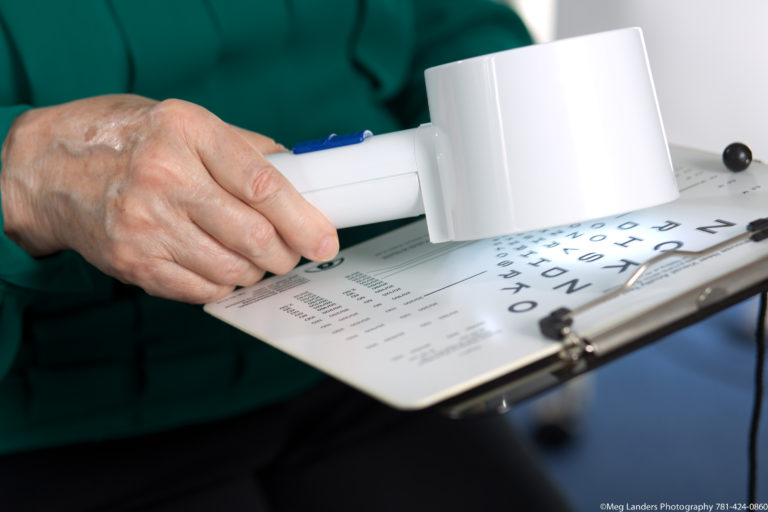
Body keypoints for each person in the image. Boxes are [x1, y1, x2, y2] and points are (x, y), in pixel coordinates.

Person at [0, 1, 572, 510]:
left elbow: (445, 19)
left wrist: (506, 106)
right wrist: (26, 176)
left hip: (374, 338)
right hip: (65, 413)